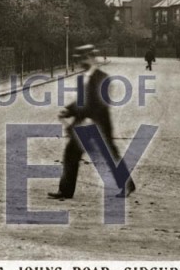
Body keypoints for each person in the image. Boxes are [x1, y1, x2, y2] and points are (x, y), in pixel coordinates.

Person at [48, 44, 137, 200]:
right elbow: (82, 102)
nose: (80, 62)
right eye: (79, 59)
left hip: (99, 126)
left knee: (110, 157)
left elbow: (101, 103)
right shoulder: (84, 77)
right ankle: (66, 191)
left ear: (90, 58)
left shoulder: (102, 78)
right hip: (84, 126)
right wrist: (69, 110)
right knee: (71, 154)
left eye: (82, 58)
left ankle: (127, 184)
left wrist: (89, 117)